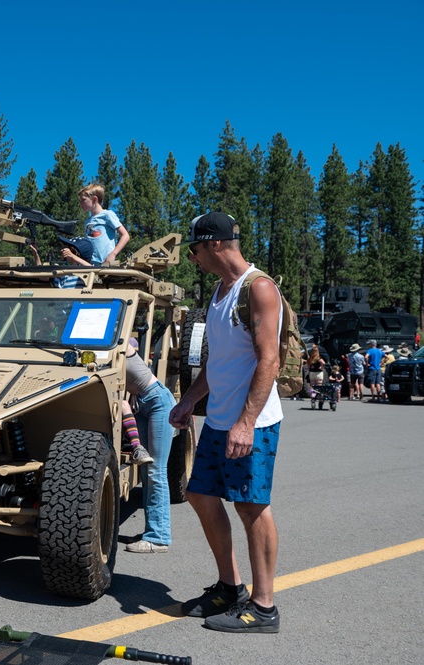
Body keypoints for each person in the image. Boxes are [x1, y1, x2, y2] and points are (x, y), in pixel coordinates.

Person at [168, 212, 283, 633]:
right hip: (218, 420)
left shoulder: (260, 288)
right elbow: (217, 361)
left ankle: (264, 607)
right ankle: (229, 588)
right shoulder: (221, 291)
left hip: (251, 421)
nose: (193, 258)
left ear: (214, 244)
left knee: (252, 507)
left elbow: (268, 359)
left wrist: (246, 423)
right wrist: (189, 401)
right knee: (200, 495)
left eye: (195, 249)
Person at [123, 337, 176, 553]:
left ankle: (159, 537)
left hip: (157, 401)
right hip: (143, 403)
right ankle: (152, 530)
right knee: (147, 471)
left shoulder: (120, 342)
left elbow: (130, 347)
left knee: (156, 470)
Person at [78, 183, 130, 265]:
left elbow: (125, 235)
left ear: (95, 199)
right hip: (90, 263)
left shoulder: (107, 215)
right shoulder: (87, 221)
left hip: (105, 262)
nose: (80, 203)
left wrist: (113, 254)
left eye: (83, 200)